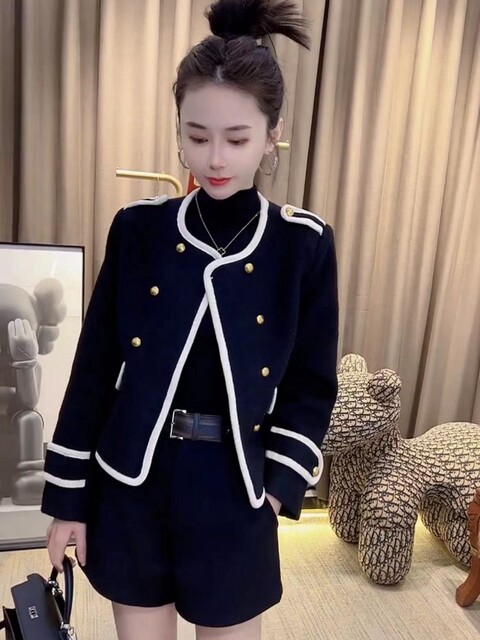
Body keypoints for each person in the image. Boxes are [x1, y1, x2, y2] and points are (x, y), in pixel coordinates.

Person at [41, 1, 339, 639]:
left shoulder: (302, 245)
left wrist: (277, 488)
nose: (215, 158)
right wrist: (68, 498)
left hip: (236, 488)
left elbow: (312, 384)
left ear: (273, 135)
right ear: (177, 128)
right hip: (131, 479)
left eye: (237, 138)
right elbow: (94, 368)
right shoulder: (138, 229)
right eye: (197, 136)